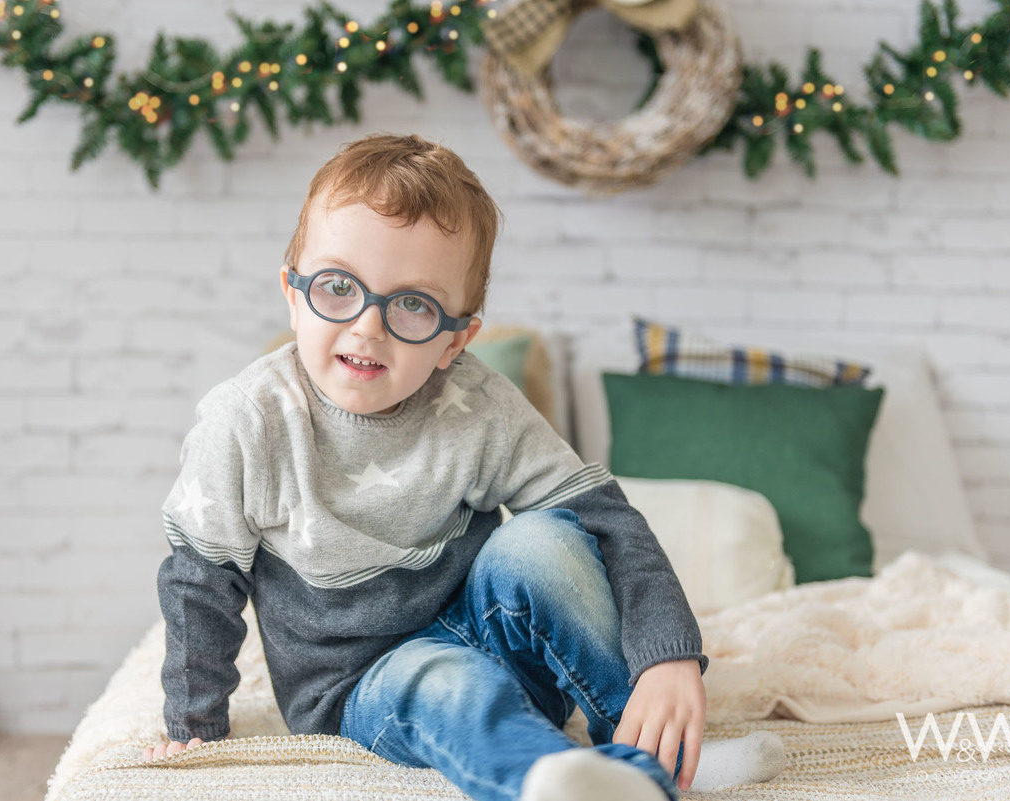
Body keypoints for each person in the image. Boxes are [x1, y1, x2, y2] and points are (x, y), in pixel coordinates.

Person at [141, 133, 785, 800]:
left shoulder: (477, 406)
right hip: (363, 685)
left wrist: (669, 654)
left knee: (544, 538)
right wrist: (194, 730)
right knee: (445, 678)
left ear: (455, 338)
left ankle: (655, 744)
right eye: (338, 287)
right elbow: (200, 582)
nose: (367, 326)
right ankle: (547, 776)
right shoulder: (247, 420)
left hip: (498, 646)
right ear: (293, 292)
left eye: (412, 304)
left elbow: (608, 520)